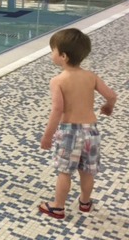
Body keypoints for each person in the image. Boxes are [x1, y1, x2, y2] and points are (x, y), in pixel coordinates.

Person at [39, 28, 117, 220]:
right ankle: (85, 202)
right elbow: (112, 96)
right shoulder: (91, 76)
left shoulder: (58, 80)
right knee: (87, 171)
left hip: (70, 133)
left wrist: (47, 136)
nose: (52, 54)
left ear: (63, 56)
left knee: (65, 172)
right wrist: (108, 107)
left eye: (53, 51)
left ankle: (57, 207)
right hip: (91, 131)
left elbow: (57, 110)